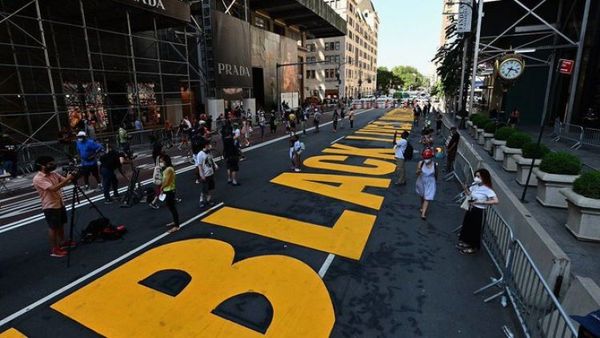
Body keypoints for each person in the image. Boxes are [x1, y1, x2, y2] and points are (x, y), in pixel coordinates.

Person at [32, 156, 77, 257]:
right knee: (53, 227)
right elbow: (53, 188)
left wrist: (72, 175)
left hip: (59, 202)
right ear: (42, 166)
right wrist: (68, 179)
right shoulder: (38, 178)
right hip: (50, 206)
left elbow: (66, 181)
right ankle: (55, 249)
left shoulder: (53, 174)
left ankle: (62, 242)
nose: (53, 165)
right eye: (50, 164)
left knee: (60, 224)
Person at [457, 169, 499, 254]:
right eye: (476, 176)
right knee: (468, 225)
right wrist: (465, 189)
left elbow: (495, 201)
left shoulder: (487, 189)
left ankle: (473, 247)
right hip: (471, 208)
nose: (476, 178)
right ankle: (466, 242)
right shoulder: (475, 185)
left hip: (479, 210)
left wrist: (482, 202)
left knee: (475, 229)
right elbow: (469, 194)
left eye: (478, 176)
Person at [159, 154, 180, 233]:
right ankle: (175, 222)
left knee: (172, 207)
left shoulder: (169, 169)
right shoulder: (167, 169)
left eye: (162, 161)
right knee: (170, 207)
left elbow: (167, 181)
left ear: (166, 161)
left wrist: (161, 187)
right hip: (168, 190)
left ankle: (177, 226)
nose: (161, 163)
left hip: (170, 190)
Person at [415, 148, 437, 220]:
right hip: (421, 180)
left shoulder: (435, 165)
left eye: (427, 158)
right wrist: (418, 171)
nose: (426, 159)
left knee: (427, 197)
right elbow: (417, 173)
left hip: (430, 182)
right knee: (422, 195)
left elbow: (436, 174)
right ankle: (422, 206)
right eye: (425, 158)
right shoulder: (421, 163)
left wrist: (435, 181)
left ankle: (423, 214)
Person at [196, 141, 218, 208]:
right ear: (205, 146)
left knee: (209, 187)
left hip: (210, 172)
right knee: (204, 188)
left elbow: (211, 160)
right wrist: (201, 174)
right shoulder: (200, 154)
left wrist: (215, 165)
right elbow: (199, 165)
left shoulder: (209, 152)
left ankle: (208, 199)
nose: (210, 146)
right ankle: (201, 200)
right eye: (209, 145)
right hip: (205, 174)